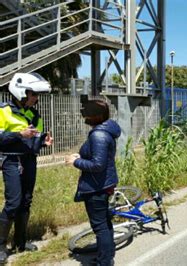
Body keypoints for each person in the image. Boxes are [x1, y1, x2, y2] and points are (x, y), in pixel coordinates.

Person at [0, 73, 53, 263]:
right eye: (33, 94)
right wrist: (19, 134)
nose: (36, 98)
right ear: (22, 92)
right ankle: (0, 245)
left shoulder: (34, 114)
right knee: (13, 202)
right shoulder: (3, 110)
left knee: (26, 201)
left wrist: (43, 143)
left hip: (29, 160)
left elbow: (34, 140)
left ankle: (20, 242)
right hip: (11, 160)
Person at [66, 99, 121, 266]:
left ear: (96, 116)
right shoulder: (104, 131)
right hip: (103, 183)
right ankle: (107, 255)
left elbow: (98, 164)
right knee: (104, 222)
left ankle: (104, 262)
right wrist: (81, 157)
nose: (84, 115)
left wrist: (75, 162)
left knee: (100, 226)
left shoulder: (99, 135)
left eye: (88, 112)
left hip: (97, 186)